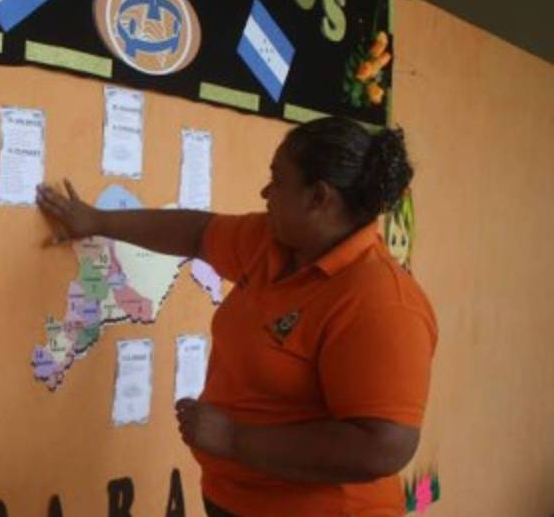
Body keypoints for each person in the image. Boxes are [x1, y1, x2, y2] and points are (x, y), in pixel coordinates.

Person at [37, 117, 436, 517]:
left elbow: (382, 447)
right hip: (235, 499)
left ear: (318, 198)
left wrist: (233, 440)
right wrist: (97, 221)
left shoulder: (381, 302)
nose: (265, 192)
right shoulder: (274, 243)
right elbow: (197, 233)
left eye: (277, 180)